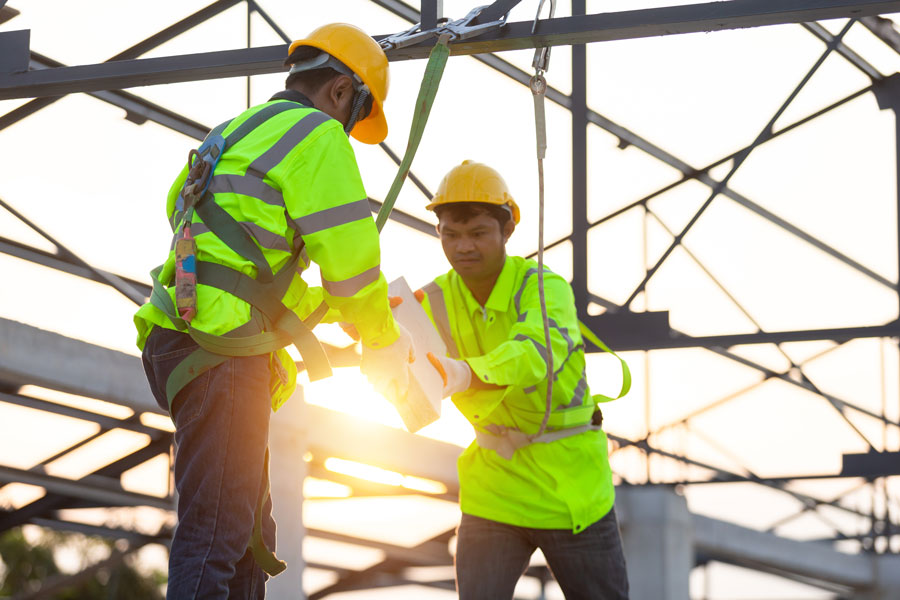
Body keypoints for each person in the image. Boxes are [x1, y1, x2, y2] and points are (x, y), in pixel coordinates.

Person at [135, 23, 412, 599]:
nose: (350, 132)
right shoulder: (318, 136)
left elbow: (224, 255)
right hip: (223, 353)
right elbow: (353, 266)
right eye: (356, 118)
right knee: (215, 539)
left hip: (180, 341)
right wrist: (380, 338)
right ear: (341, 93)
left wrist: (327, 312)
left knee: (247, 543)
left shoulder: (228, 134)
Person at [419, 160, 629, 599]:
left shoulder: (543, 289)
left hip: (572, 492)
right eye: (450, 235)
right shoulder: (434, 298)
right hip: (494, 489)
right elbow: (393, 341)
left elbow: (535, 350)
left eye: (477, 232)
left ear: (508, 231)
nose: (463, 247)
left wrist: (467, 373)